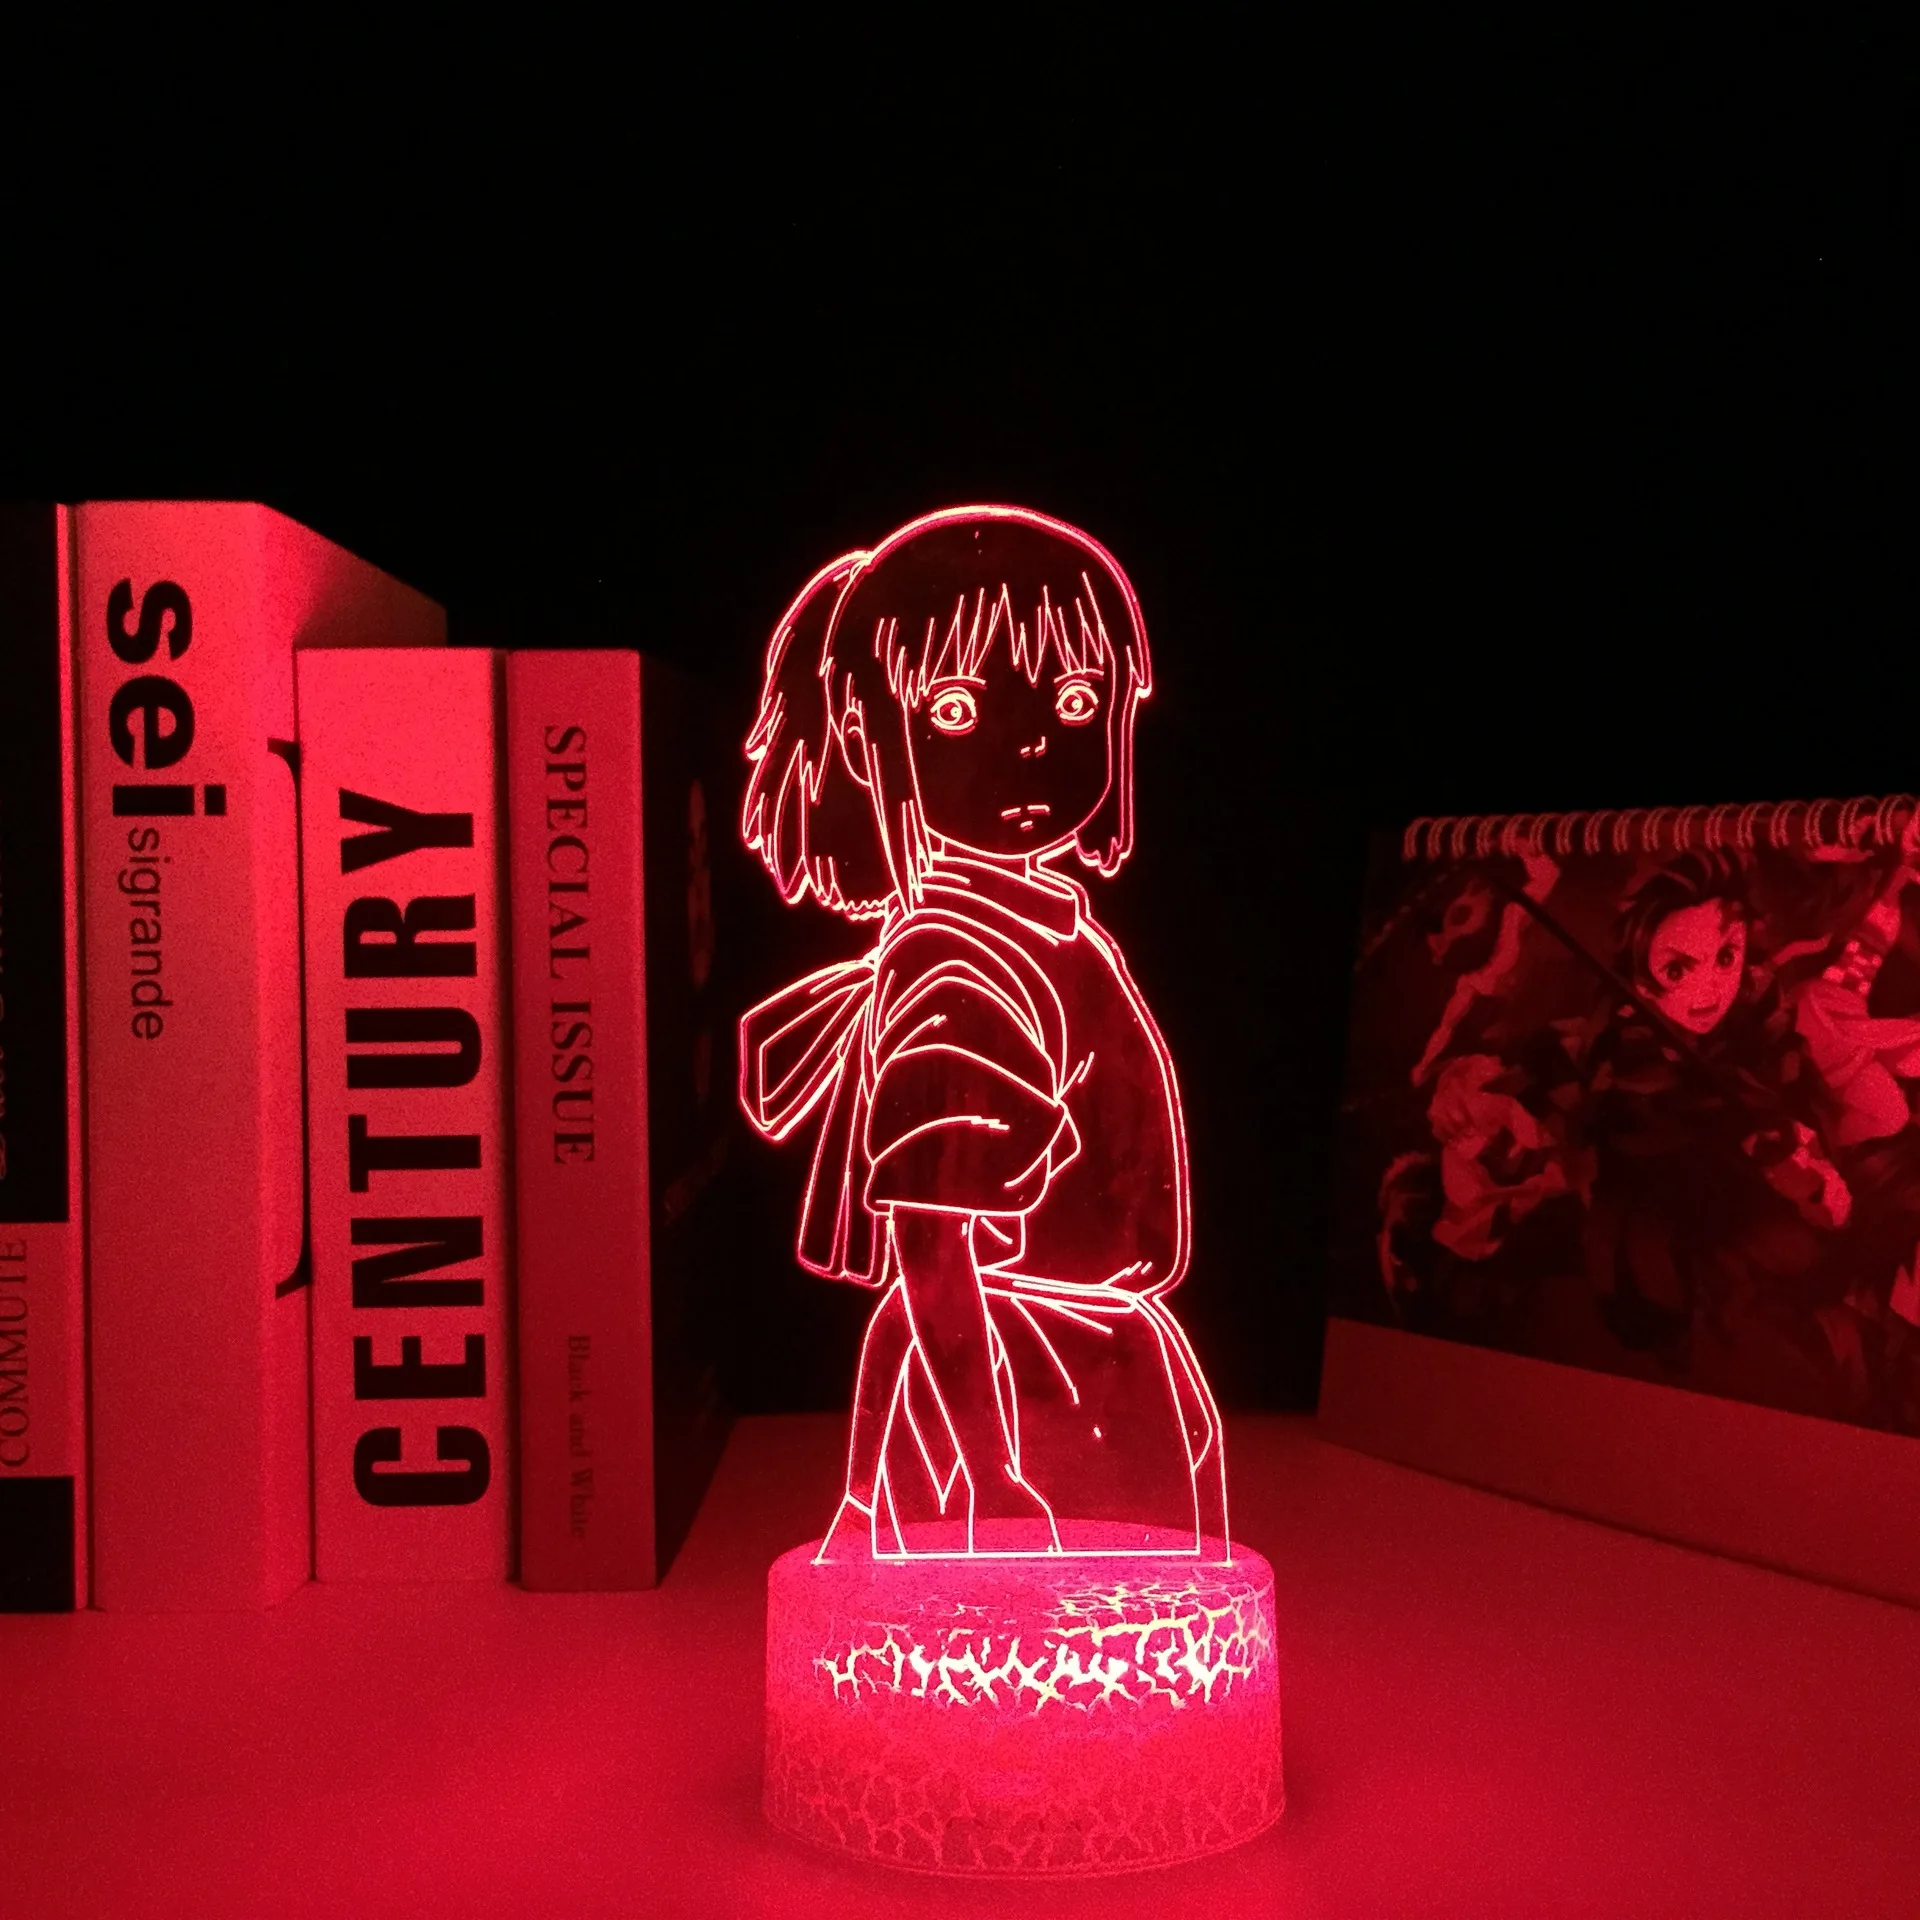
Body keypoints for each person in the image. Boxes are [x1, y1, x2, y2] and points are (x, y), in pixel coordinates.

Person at [737, 507, 1227, 1558]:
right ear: (869, 741)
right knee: (1063, 1652)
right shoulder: (962, 971)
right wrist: (992, 1472)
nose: (1034, 742)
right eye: (959, 710)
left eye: (1077, 698)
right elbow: (931, 1245)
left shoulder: (1036, 933)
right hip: (1032, 1382)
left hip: (1072, 1370)